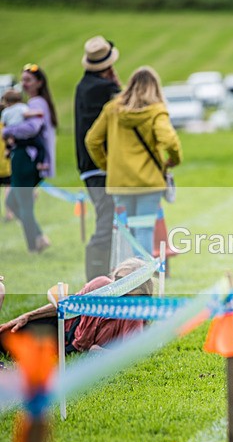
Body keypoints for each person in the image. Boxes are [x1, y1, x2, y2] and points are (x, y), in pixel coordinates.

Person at [85, 66, 182, 257]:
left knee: (126, 232)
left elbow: (92, 140)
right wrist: (174, 159)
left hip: (120, 181)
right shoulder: (156, 111)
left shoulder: (112, 109)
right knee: (144, 229)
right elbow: (170, 141)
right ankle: (143, 273)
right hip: (148, 181)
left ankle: (128, 271)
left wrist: (107, 165)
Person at [0, 258, 154, 353]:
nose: (119, 285)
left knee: (18, 348)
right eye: (118, 278)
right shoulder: (101, 284)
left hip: (68, 344)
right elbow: (66, 306)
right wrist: (27, 316)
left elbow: (132, 353)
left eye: (127, 283)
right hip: (64, 324)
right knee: (5, 334)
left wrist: (98, 351)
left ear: (140, 290)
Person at [75, 36, 122, 281]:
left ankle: (101, 276)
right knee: (106, 221)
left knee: (106, 218)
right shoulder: (103, 89)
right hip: (100, 166)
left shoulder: (83, 86)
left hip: (87, 166)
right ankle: (97, 280)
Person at [1, 63, 57, 253]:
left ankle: (34, 246)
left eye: (28, 80)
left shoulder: (35, 103)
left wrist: (7, 131)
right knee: (12, 202)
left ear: (39, 82)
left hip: (26, 158)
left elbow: (32, 128)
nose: (24, 83)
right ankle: (39, 237)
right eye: (22, 79)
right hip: (27, 157)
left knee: (23, 204)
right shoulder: (34, 103)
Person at [1, 89, 47, 171]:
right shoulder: (21, 107)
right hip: (24, 135)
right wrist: (38, 113)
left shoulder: (5, 112)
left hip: (14, 137)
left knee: (9, 142)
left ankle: (8, 150)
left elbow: (4, 124)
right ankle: (40, 163)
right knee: (40, 146)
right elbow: (26, 114)